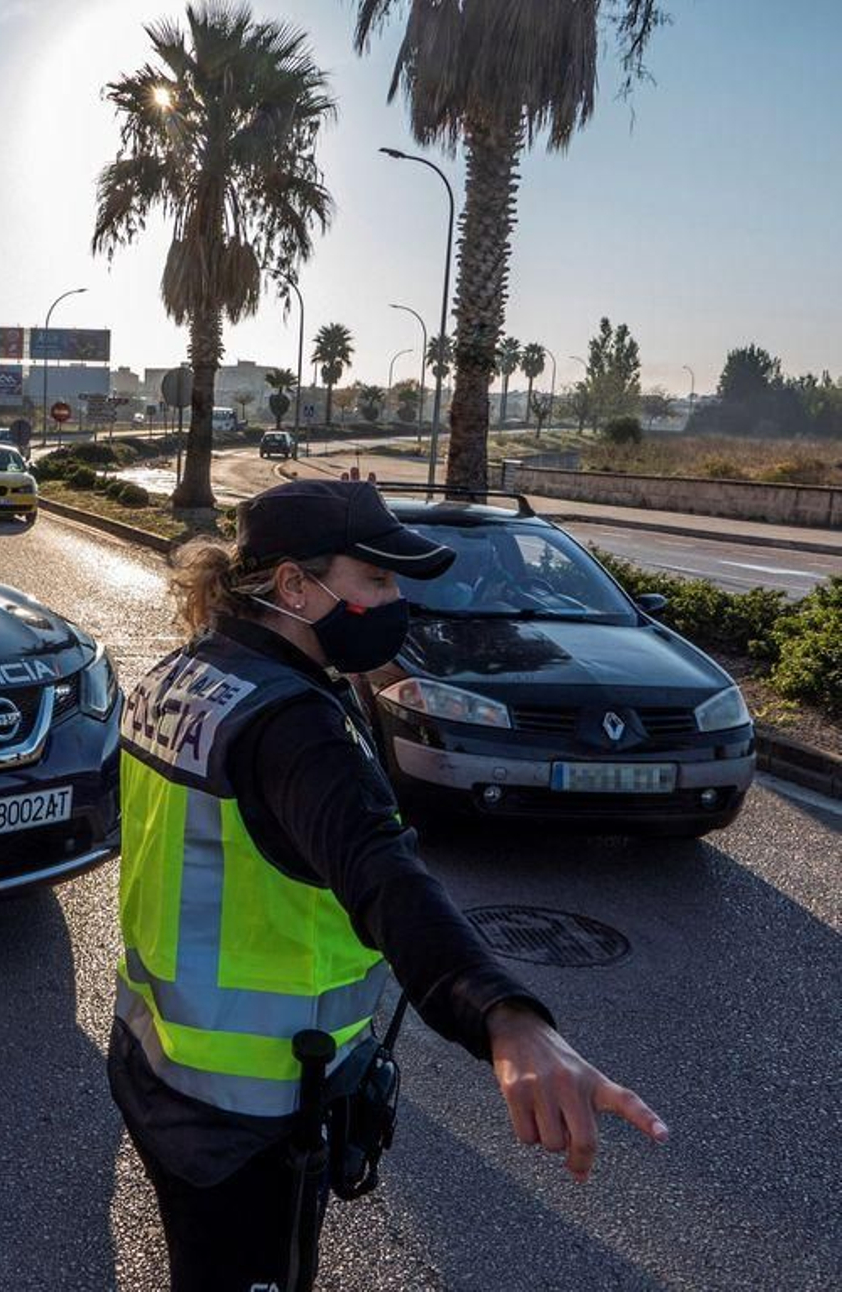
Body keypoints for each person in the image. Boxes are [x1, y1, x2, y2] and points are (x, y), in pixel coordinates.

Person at [111, 479, 668, 1290]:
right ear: (295, 587)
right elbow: (382, 873)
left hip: (155, 1064)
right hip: (250, 1111)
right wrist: (505, 1018)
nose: (395, 600)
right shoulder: (293, 726)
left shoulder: (187, 673)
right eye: (375, 580)